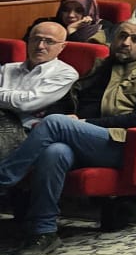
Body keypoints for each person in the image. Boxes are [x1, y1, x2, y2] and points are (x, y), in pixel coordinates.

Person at [1, 21, 136, 255]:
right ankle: (44, 232)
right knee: (55, 153)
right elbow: (77, 100)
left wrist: (83, 124)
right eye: (122, 36)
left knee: (54, 122)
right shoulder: (102, 67)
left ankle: (4, 179)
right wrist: (74, 121)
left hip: (124, 144)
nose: (125, 42)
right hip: (87, 139)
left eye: (135, 39)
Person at [0, 21, 80, 156]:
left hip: (23, 130)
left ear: (62, 46)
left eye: (49, 42)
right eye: (35, 39)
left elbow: (24, 104)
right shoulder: (8, 68)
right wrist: (17, 97)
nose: (40, 46)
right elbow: (21, 100)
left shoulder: (65, 73)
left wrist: (14, 99)